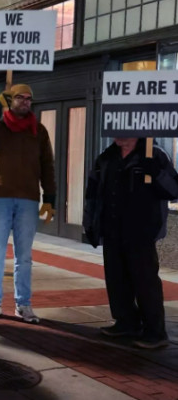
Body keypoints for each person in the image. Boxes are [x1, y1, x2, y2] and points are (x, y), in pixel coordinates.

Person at [0, 84, 56, 324]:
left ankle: (23, 304)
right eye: (20, 97)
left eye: (29, 99)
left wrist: (50, 197)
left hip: (28, 199)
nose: (26, 102)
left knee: (24, 257)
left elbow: (47, 165)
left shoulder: (38, 130)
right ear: (11, 100)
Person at [84, 138, 178, 349]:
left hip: (141, 231)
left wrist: (155, 172)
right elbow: (92, 191)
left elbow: (173, 189)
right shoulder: (106, 157)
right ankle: (126, 322)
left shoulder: (154, 154)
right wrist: (90, 222)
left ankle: (155, 331)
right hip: (112, 229)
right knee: (116, 279)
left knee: (145, 281)